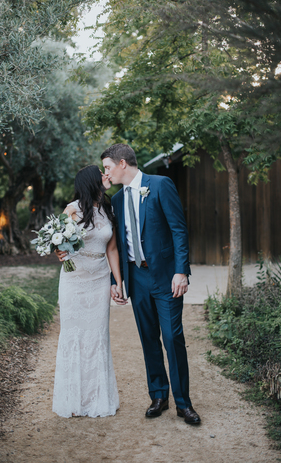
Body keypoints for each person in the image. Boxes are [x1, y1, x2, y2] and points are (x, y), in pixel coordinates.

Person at [101, 143, 201, 425]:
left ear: (122, 164)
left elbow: (179, 230)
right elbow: (116, 245)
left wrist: (181, 271)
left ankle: (184, 404)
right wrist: (116, 281)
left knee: (172, 337)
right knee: (148, 339)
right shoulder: (117, 200)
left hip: (167, 277)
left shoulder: (160, 185)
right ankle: (159, 396)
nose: (106, 173)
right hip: (137, 278)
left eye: (108, 167)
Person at [53, 165, 121, 418]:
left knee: (97, 337)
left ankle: (97, 398)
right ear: (92, 182)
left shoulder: (108, 209)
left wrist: (118, 281)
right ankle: (73, 400)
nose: (107, 176)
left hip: (100, 279)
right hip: (74, 280)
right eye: (102, 174)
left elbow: (112, 249)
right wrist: (59, 251)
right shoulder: (71, 210)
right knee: (73, 335)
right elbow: (59, 242)